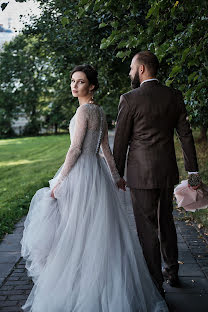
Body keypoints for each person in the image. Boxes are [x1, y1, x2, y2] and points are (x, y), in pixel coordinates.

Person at [21, 64, 169, 311]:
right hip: (97, 176)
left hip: (81, 175)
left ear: (91, 86)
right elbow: (105, 150)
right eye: (72, 81)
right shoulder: (99, 111)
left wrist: (60, 180)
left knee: (76, 232)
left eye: (80, 82)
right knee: (96, 232)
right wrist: (116, 176)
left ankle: (80, 287)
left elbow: (76, 149)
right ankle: (95, 282)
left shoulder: (83, 113)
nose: (74, 85)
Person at [113, 51, 200, 295]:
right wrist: (192, 171)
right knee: (166, 222)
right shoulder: (174, 96)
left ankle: (155, 285)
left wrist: (117, 174)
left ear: (141, 69)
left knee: (147, 228)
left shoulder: (129, 99)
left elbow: (120, 142)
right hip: (166, 172)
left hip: (140, 174)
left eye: (132, 68)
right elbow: (185, 135)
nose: (130, 72)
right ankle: (172, 272)